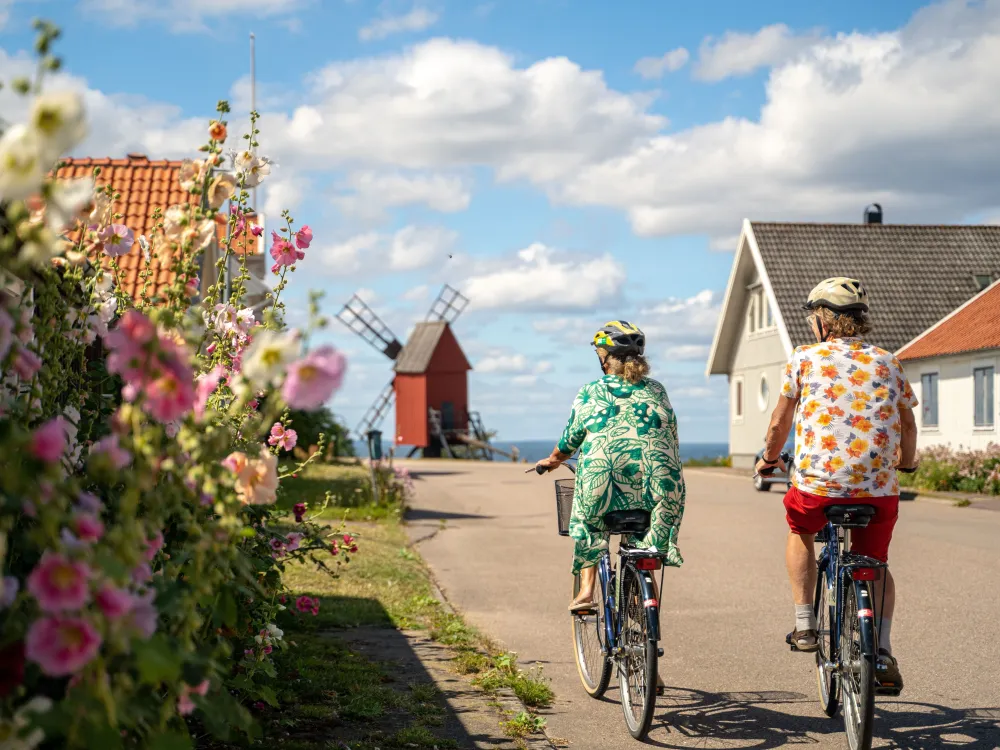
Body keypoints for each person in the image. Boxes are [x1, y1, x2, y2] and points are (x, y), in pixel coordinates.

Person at [755, 277, 917, 693]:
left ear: (823, 321)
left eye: (813, 318)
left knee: (800, 530)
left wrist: (769, 459)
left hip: (817, 487)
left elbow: (779, 422)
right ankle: (881, 650)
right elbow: (908, 422)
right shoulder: (888, 360)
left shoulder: (804, 358)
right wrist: (908, 463)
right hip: (878, 491)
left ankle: (805, 624)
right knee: (875, 563)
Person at [535, 321, 686, 614]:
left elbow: (571, 439)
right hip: (661, 484)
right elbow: (673, 436)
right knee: (646, 540)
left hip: (603, 479)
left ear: (604, 359)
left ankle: (586, 592)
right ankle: (646, 597)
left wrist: (553, 461)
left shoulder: (592, 391)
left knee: (590, 525)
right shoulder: (657, 390)